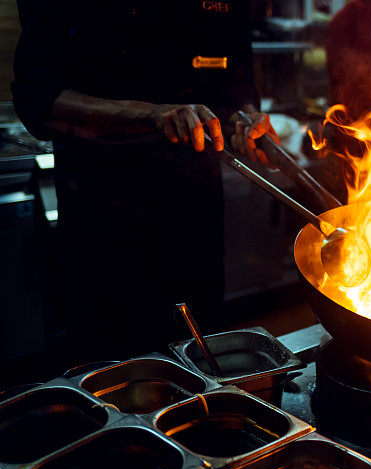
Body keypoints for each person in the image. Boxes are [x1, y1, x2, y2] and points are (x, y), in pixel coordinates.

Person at [12, 0, 278, 362]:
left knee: (201, 352)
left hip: (193, 210)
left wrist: (247, 120)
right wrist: (152, 115)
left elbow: (235, 80)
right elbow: (38, 96)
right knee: (115, 363)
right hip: (104, 211)